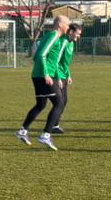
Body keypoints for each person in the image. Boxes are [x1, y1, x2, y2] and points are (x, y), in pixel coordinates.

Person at [15, 14, 70, 151]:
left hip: (39, 75)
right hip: (44, 76)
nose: (68, 27)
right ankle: (46, 135)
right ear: (60, 25)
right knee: (59, 103)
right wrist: (46, 73)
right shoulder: (53, 36)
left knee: (41, 105)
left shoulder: (50, 36)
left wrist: (57, 77)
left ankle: (22, 131)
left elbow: (48, 59)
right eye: (67, 24)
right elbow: (41, 55)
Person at [44, 24, 82, 135]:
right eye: (77, 34)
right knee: (59, 102)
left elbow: (65, 62)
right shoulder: (63, 42)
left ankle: (54, 125)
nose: (79, 36)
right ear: (71, 32)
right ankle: (52, 126)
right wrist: (58, 78)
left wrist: (68, 75)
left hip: (64, 76)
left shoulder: (71, 43)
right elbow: (56, 60)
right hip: (57, 75)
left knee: (63, 101)